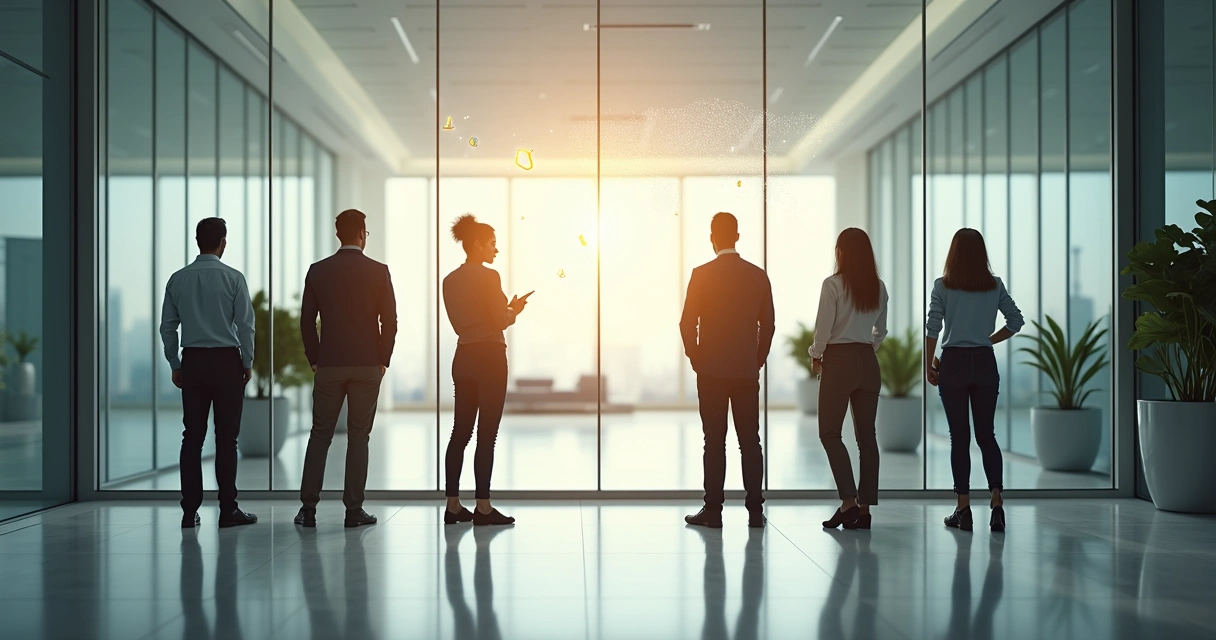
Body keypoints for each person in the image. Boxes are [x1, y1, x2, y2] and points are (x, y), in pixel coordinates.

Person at [295, 209, 397, 528]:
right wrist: (383, 359)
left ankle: (308, 509)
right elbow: (390, 320)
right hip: (367, 364)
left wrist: (315, 358)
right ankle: (353, 510)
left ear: (338, 234)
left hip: (329, 364)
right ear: (362, 234)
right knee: (358, 437)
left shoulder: (318, 271)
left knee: (320, 436)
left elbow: (307, 321)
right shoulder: (378, 271)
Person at [159, 217, 257, 529]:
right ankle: (228, 510)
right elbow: (246, 326)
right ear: (223, 242)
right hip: (227, 362)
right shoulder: (234, 278)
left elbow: (167, 327)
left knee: (192, 437)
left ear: (197, 241)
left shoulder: (178, 279)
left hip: (193, 362)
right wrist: (247, 361)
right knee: (227, 439)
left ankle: (189, 512)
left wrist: (175, 363)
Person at [680, 212, 775, 529]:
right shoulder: (757, 276)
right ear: (737, 236)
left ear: (712, 238)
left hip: (711, 371)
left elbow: (687, 322)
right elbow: (769, 325)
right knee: (750, 441)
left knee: (714, 441)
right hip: (746, 371)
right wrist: (756, 359)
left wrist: (696, 358)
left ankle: (713, 511)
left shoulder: (701, 274)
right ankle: (755, 511)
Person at [925, 228, 1023, 533]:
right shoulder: (994, 285)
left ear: (953, 253)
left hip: (953, 363)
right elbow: (1016, 321)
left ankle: (963, 509)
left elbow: (933, 327)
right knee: (986, 435)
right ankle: (996, 503)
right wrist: (987, 340)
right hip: (984, 362)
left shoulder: (942, 286)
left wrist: (928, 364)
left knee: (960, 437)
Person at [442, 214, 529, 526]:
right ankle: (483, 507)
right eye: (492, 243)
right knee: (486, 435)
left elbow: (460, 321)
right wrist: (514, 310)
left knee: (460, 433)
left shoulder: (449, 280)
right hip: (490, 357)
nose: (496, 249)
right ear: (477, 244)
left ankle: (453, 505)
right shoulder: (490, 277)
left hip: (463, 357)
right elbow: (498, 319)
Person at [811, 227, 888, 531]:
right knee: (867, 437)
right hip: (868, 362)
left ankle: (848, 503)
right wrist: (867, 349)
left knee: (830, 433)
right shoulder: (878, 287)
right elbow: (880, 331)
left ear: (841, 252)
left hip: (839, 361)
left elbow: (823, 330)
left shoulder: (833, 285)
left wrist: (816, 354)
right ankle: (864, 510)